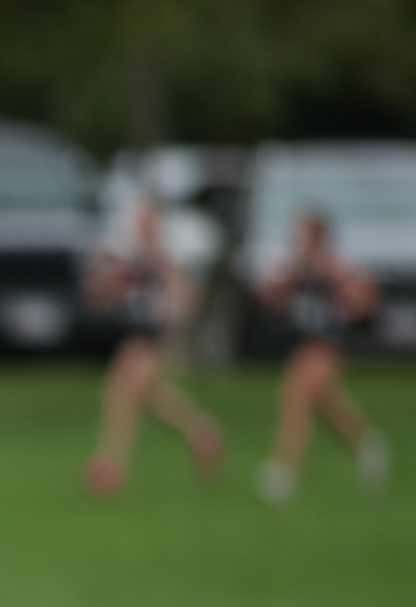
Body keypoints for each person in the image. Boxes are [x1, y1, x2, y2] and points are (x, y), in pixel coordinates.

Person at [81, 197, 223, 496]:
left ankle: (110, 466)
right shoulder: (130, 259)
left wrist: (170, 315)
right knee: (152, 401)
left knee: (121, 398)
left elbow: (184, 299)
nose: (139, 225)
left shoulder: (162, 259)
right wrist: (108, 278)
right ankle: (201, 432)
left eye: (144, 220)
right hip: (131, 336)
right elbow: (105, 296)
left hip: (148, 340)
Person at [255, 208, 388, 504]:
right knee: (324, 404)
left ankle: (284, 469)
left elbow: (365, 298)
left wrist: (347, 302)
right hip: (301, 344)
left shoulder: (335, 268)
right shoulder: (296, 268)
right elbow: (270, 298)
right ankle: (365, 443)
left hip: (325, 346)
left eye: (303, 233)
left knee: (295, 396)